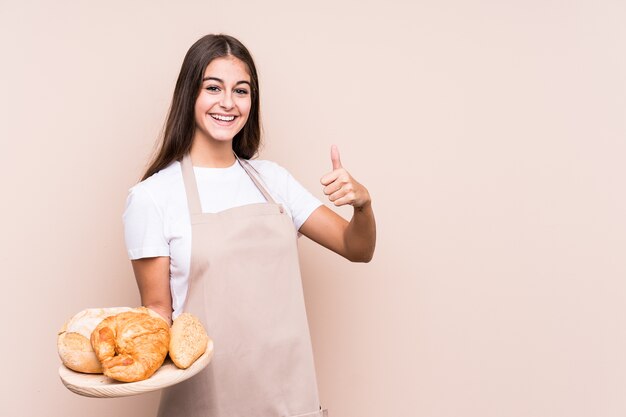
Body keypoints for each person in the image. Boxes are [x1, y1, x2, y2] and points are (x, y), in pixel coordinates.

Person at [123, 33, 376, 417]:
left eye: (241, 91)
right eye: (213, 88)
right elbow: (158, 314)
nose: (228, 102)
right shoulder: (152, 197)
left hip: (291, 399)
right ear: (189, 94)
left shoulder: (273, 180)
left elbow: (357, 249)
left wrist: (363, 204)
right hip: (208, 403)